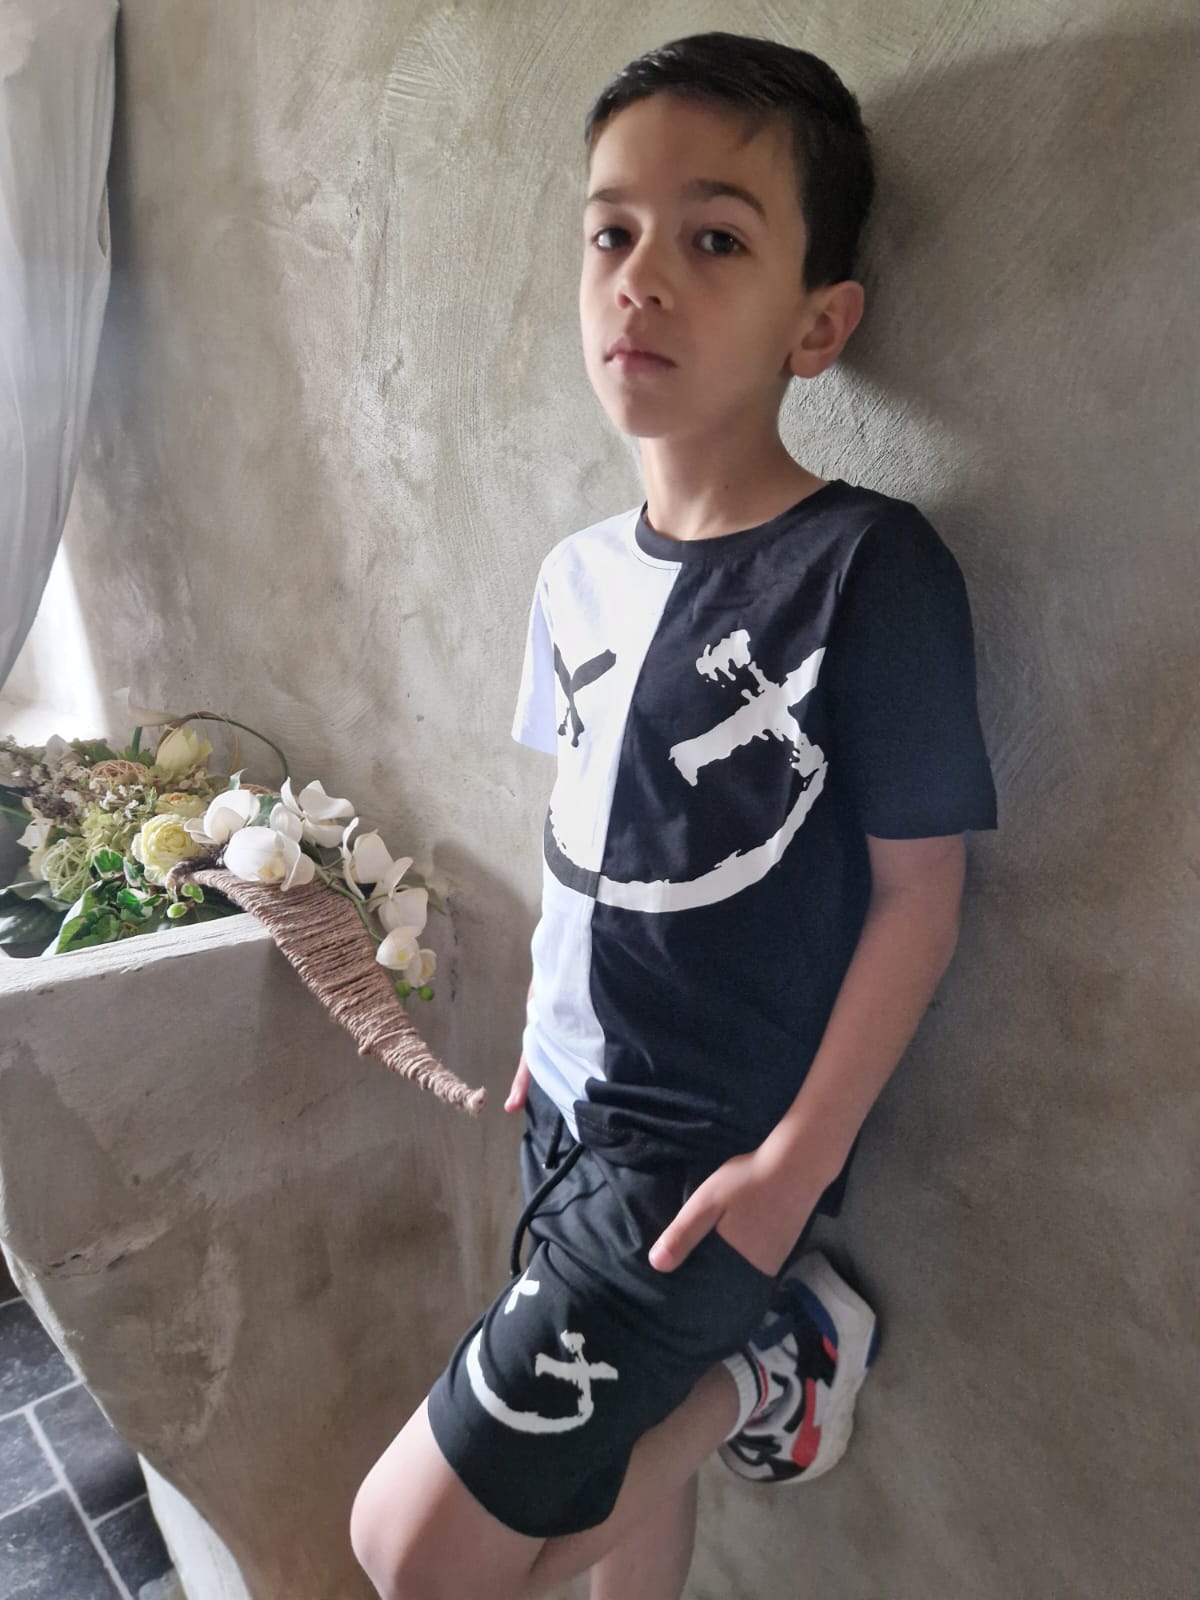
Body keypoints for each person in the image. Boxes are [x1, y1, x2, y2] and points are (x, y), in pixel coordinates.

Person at [351, 29, 998, 1600]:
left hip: (711, 1152)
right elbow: (583, 825)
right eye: (611, 233)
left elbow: (920, 897)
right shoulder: (573, 575)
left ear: (819, 323)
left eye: (714, 240)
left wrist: (790, 1174)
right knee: (612, 1506)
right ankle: (742, 1374)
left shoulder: (870, 571)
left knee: (411, 1549)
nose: (640, 278)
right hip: (564, 1108)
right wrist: (545, 1018)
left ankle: (774, 1370)